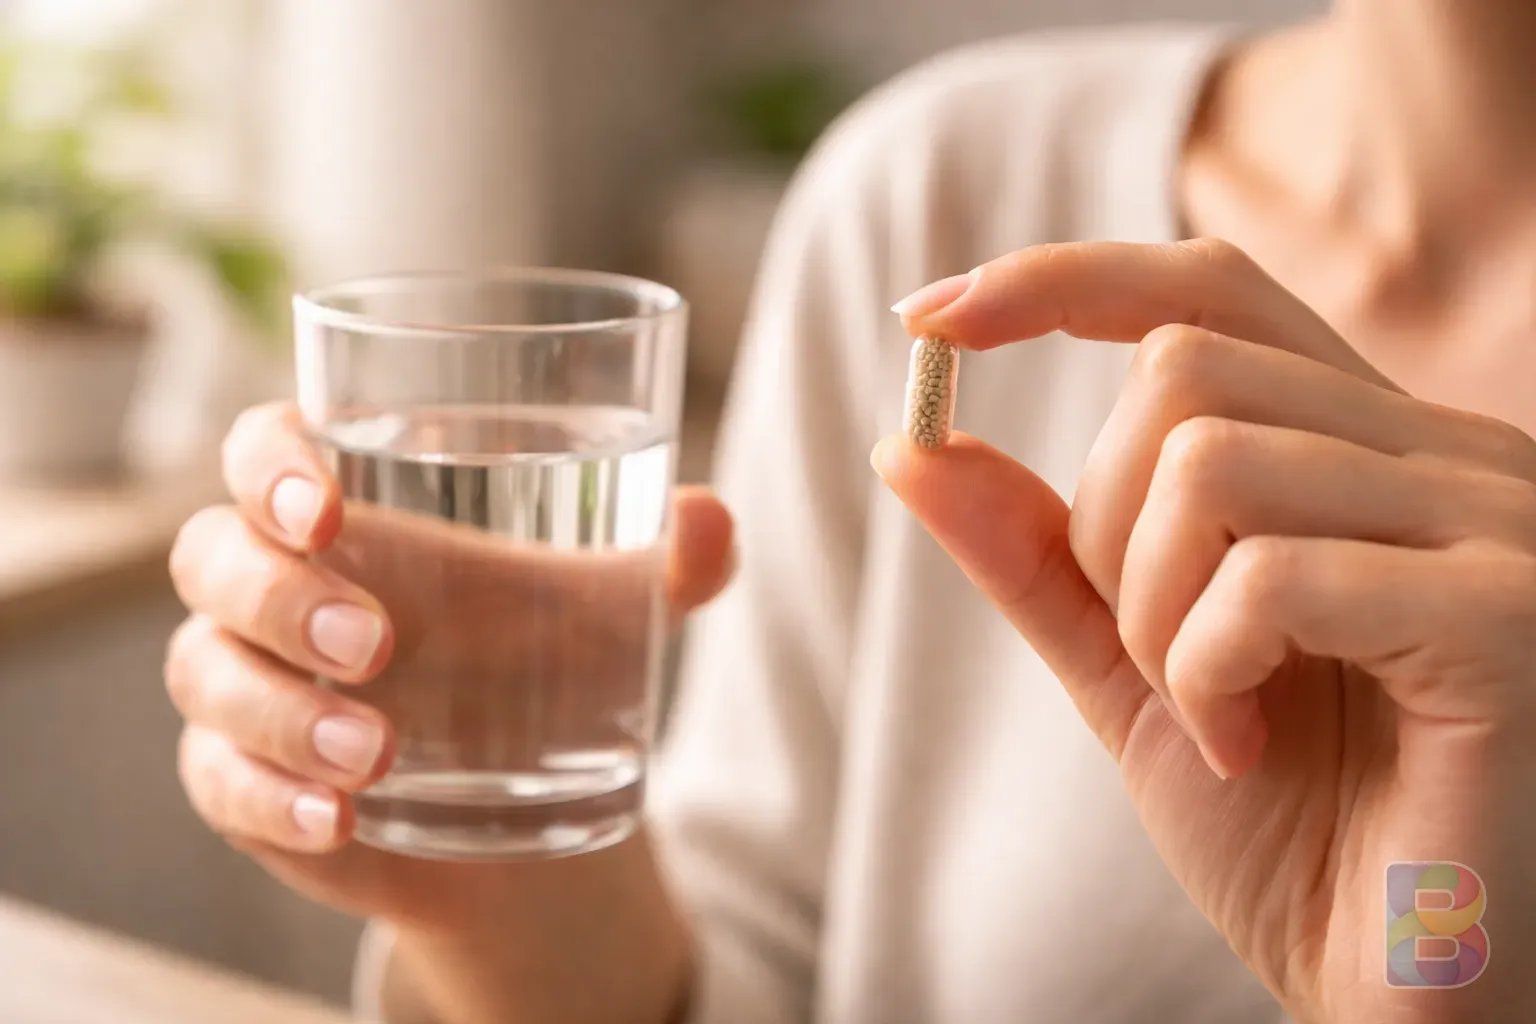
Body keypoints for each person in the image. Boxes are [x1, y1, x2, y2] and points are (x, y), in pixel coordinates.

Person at [164, 2, 1536, 1021]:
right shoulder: (940, 189)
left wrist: (1445, 959)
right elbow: (761, 970)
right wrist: (505, 894)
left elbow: (1437, 958)